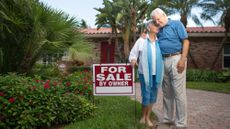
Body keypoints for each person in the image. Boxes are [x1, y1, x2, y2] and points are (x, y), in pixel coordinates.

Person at [150, 8, 189, 129]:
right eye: (155, 20)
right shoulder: (159, 29)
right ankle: (168, 119)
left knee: (179, 93)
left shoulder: (177, 24)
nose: (157, 22)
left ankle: (181, 124)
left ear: (164, 15)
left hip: (176, 59)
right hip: (163, 60)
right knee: (167, 93)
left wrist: (183, 59)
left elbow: (186, 42)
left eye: (158, 19)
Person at [129, 20, 164, 127]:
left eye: (158, 25)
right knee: (146, 94)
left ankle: (147, 117)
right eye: (155, 25)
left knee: (153, 95)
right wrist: (133, 60)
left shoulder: (159, 41)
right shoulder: (142, 40)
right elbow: (133, 53)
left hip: (156, 73)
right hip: (144, 73)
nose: (157, 26)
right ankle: (143, 116)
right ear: (149, 27)